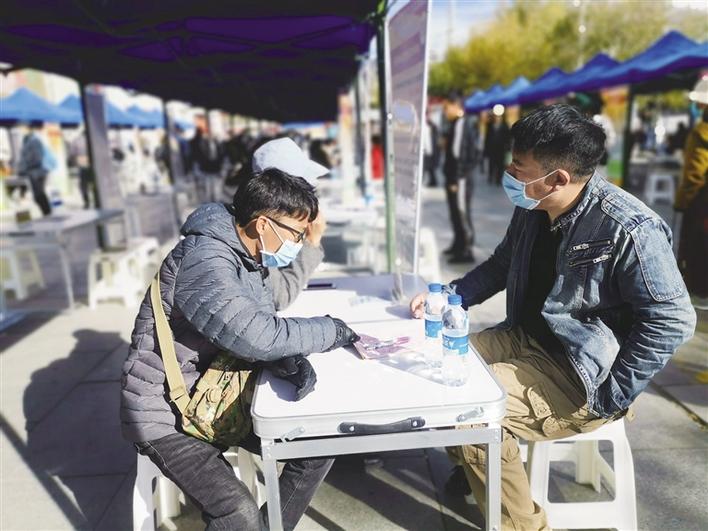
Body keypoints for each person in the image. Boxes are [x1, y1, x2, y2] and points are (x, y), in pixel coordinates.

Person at [409, 104, 696, 531]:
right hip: (526, 338)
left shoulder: (629, 228)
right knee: (433, 364)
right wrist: (450, 297)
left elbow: (672, 320)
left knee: (471, 410)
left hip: (580, 372)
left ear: (558, 178)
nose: (508, 172)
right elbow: (503, 263)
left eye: (518, 166)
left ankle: (520, 522)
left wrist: (612, 395)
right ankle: (475, 463)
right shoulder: (533, 203)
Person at [121, 141, 359, 530]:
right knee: (238, 513)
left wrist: (288, 360)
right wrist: (333, 330)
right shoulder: (205, 259)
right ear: (264, 224)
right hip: (165, 413)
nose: (298, 243)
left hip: (216, 392)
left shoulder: (245, 253)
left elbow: (255, 322)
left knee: (318, 443)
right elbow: (257, 335)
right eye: (296, 234)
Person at [675, 76, 708, 310]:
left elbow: (694, 175)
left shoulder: (702, 133)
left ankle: (700, 294)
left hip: (701, 201)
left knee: (698, 248)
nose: (697, 106)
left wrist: (683, 201)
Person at [442, 93, 474, 264]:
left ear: (456, 106)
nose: (445, 112)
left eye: (447, 108)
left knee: (462, 213)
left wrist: (457, 178)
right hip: (453, 178)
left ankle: (467, 250)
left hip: (460, 179)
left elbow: (461, 154)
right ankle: (458, 243)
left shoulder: (464, 124)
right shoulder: (455, 124)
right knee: (454, 213)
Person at [17, 121, 53, 216]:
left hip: (37, 172)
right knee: (38, 194)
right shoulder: (28, 141)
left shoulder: (34, 141)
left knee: (39, 194)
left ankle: (47, 213)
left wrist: (27, 165)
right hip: (33, 172)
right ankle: (47, 213)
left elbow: (36, 157)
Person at [190, 126, 223, 202]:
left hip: (216, 169)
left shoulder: (218, 143)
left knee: (216, 191)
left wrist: (222, 169)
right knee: (207, 190)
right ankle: (209, 203)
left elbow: (221, 156)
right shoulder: (201, 143)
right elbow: (199, 156)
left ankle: (216, 202)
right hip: (206, 170)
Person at [484, 112, 510, 186]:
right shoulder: (490, 125)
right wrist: (486, 149)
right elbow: (487, 137)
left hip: (501, 148)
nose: (498, 118)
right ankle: (490, 176)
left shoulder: (505, 126)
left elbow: (508, 138)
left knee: (500, 164)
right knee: (491, 163)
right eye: (496, 116)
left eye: (499, 117)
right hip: (492, 148)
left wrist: (508, 147)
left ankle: (498, 179)